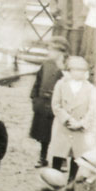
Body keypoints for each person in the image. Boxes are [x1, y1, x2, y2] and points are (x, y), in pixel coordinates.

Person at [50, 54, 96, 177]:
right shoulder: (61, 84)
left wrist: (80, 124)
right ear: (69, 70)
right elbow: (56, 105)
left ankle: (71, 183)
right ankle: (54, 179)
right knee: (58, 153)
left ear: (86, 72)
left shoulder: (90, 88)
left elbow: (92, 110)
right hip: (63, 126)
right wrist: (67, 119)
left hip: (79, 129)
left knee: (76, 156)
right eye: (75, 69)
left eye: (81, 70)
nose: (78, 73)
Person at [31, 37, 69, 167]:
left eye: (51, 50)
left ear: (60, 52)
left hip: (59, 106)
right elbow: (37, 82)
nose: (49, 52)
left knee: (60, 134)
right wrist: (35, 99)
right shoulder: (46, 64)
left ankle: (60, 160)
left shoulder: (67, 67)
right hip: (44, 104)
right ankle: (43, 157)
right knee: (43, 134)